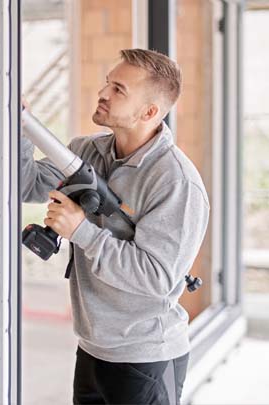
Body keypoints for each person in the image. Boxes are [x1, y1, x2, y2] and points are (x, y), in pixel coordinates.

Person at [21, 49, 210, 405]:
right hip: (92, 349)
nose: (103, 93)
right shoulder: (86, 153)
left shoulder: (176, 183)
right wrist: (21, 127)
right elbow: (25, 183)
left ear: (150, 112)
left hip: (145, 359)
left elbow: (156, 279)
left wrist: (83, 232)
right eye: (107, 82)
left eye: (119, 89)